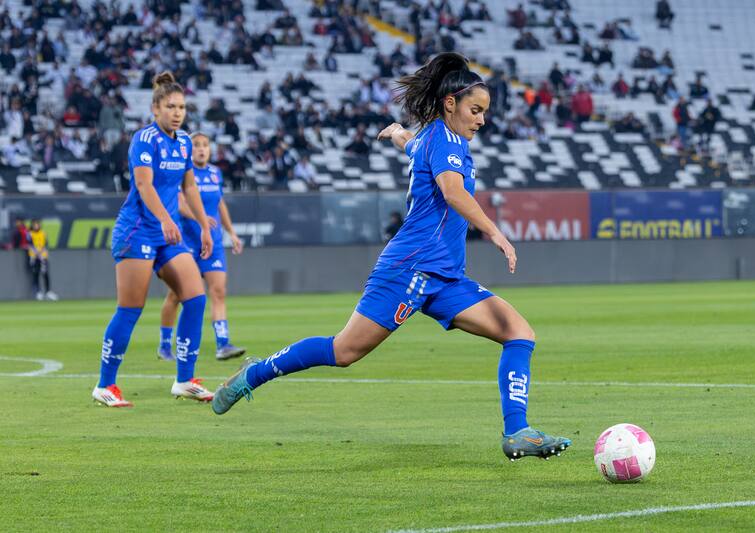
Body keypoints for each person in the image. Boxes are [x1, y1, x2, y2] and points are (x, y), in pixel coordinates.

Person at [211, 53, 572, 462]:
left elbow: (414, 145)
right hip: (409, 269)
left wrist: (398, 134)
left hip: (445, 277)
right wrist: (495, 232)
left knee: (519, 332)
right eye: (476, 110)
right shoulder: (447, 140)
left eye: (484, 112)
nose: (481, 120)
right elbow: (453, 193)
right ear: (450, 103)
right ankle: (254, 374)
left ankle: (518, 431)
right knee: (344, 352)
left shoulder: (434, 137)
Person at [92, 71, 215, 407]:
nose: (178, 112)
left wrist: (204, 227)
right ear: (156, 109)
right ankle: (105, 385)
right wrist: (165, 219)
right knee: (130, 308)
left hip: (167, 233)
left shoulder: (185, 141)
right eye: (171, 106)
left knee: (195, 297)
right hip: (137, 231)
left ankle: (185, 380)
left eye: (181, 107)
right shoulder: (144, 139)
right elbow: (144, 186)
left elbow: (189, 187)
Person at [158, 132, 246, 362]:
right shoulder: (183, 172)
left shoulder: (215, 172)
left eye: (205, 145)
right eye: (196, 145)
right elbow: (178, 203)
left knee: (218, 291)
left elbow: (219, 203)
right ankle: (165, 345)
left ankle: (223, 344)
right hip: (187, 244)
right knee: (177, 295)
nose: (201, 149)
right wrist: (200, 218)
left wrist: (232, 233)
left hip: (213, 243)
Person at [27, 219, 58, 301]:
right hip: (34, 257)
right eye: (35, 224)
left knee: (45, 273)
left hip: (43, 257)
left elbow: (45, 244)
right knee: (35, 274)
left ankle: (48, 292)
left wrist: (40, 252)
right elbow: (30, 245)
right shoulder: (30, 234)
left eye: (37, 224)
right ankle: (38, 292)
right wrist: (36, 252)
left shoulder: (43, 233)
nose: (36, 226)